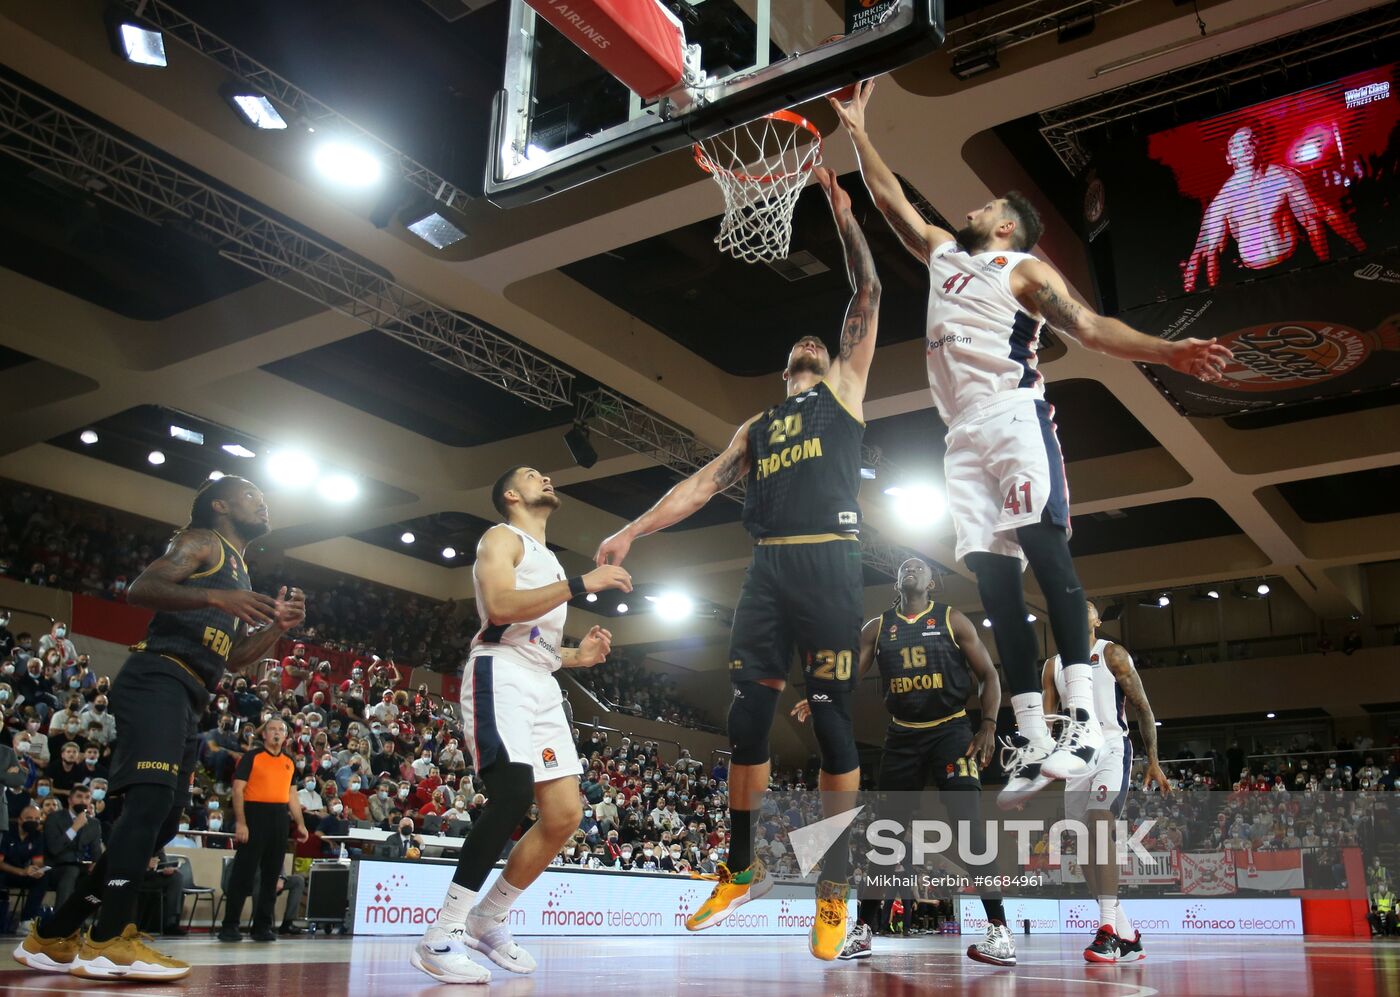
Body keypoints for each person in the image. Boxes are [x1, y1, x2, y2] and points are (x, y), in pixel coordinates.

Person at [829, 81, 1230, 806]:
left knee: (1047, 554)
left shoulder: (1025, 272)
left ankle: (1080, 719)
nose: (971, 209)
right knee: (992, 582)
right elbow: (892, 203)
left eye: (986, 208)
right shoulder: (946, 253)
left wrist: (1169, 353)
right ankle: (1031, 734)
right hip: (961, 437)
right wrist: (859, 130)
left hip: (1015, 417)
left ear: (1008, 229)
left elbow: (1094, 329)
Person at [595, 168, 881, 961]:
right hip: (768, 571)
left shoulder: (847, 392)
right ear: (786, 363)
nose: (814, 343)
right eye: (803, 344)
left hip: (828, 564)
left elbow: (867, 294)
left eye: (820, 342)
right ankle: (740, 864)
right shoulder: (756, 426)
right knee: (744, 718)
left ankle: (833, 886)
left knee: (830, 724)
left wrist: (845, 214)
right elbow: (700, 484)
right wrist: (633, 528)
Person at [14, 475, 304, 982]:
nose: (264, 504)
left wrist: (276, 629)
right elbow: (140, 589)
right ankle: (109, 938)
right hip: (157, 677)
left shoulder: (238, 571)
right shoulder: (200, 541)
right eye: (252, 496)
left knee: (164, 822)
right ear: (220, 504)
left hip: (191, 693)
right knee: (147, 805)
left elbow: (233, 660)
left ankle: (57, 934)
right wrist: (216, 598)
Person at [411, 465, 627, 985]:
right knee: (510, 794)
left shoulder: (549, 559)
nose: (546, 478)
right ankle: (440, 935)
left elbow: (542, 646)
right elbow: (503, 610)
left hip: (540, 680)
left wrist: (579, 656)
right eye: (533, 475)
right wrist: (581, 585)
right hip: (499, 670)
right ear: (510, 494)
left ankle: (490, 916)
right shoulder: (500, 538)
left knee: (564, 814)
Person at [794, 558, 1012, 965]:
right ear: (897, 581)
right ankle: (864, 928)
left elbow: (990, 676)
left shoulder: (953, 620)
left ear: (933, 582)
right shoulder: (877, 628)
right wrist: (822, 695)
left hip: (951, 732)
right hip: (903, 736)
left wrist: (987, 723)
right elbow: (850, 678)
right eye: (904, 566)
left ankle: (999, 930)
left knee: (969, 827)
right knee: (885, 836)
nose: (910, 568)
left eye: (920, 566)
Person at [1042, 600, 1169, 964]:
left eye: (1086, 608)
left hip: (1112, 749)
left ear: (1097, 620)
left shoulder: (1111, 654)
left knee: (1101, 826)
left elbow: (1143, 707)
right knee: (1082, 849)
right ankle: (1127, 935)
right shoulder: (1054, 665)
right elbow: (1050, 722)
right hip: (1077, 758)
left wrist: (1154, 762)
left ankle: (1107, 932)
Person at [1182, 124, 1365, 292]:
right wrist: (1211, 293)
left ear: (1259, 145)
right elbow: (1205, 251)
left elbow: (1321, 213)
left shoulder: (1282, 177)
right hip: (1253, 275)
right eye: (1237, 146)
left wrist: (1361, 248)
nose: (1245, 147)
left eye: (1249, 141)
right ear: (1229, 158)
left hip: (1293, 262)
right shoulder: (1223, 199)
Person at [218, 717, 309, 942]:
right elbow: (238, 790)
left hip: (279, 818)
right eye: (272, 729)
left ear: (286, 736)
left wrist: (300, 824)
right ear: (265, 735)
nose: (277, 733)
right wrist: (241, 822)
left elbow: (292, 796)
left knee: (271, 876)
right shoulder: (252, 757)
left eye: (281, 730)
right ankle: (230, 925)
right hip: (254, 815)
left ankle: (262, 927)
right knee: (243, 873)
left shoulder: (289, 761)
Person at [41, 784, 103, 906]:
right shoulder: (54, 818)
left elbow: (96, 854)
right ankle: (60, 920)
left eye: (87, 797)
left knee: (95, 878)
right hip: (55, 867)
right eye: (79, 796)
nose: (83, 800)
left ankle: (80, 921)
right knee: (71, 871)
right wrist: (74, 828)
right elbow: (54, 849)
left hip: (81, 868)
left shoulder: (94, 824)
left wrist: (96, 865)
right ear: (70, 800)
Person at [0, 804, 47, 929]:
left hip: (25, 872)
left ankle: (26, 920)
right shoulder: (6, 833)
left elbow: (38, 861)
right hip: (6, 872)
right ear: (20, 819)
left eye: (37, 819)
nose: (33, 822)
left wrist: (37, 870)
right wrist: (21, 871)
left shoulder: (37, 836)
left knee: (42, 880)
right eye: (29, 818)